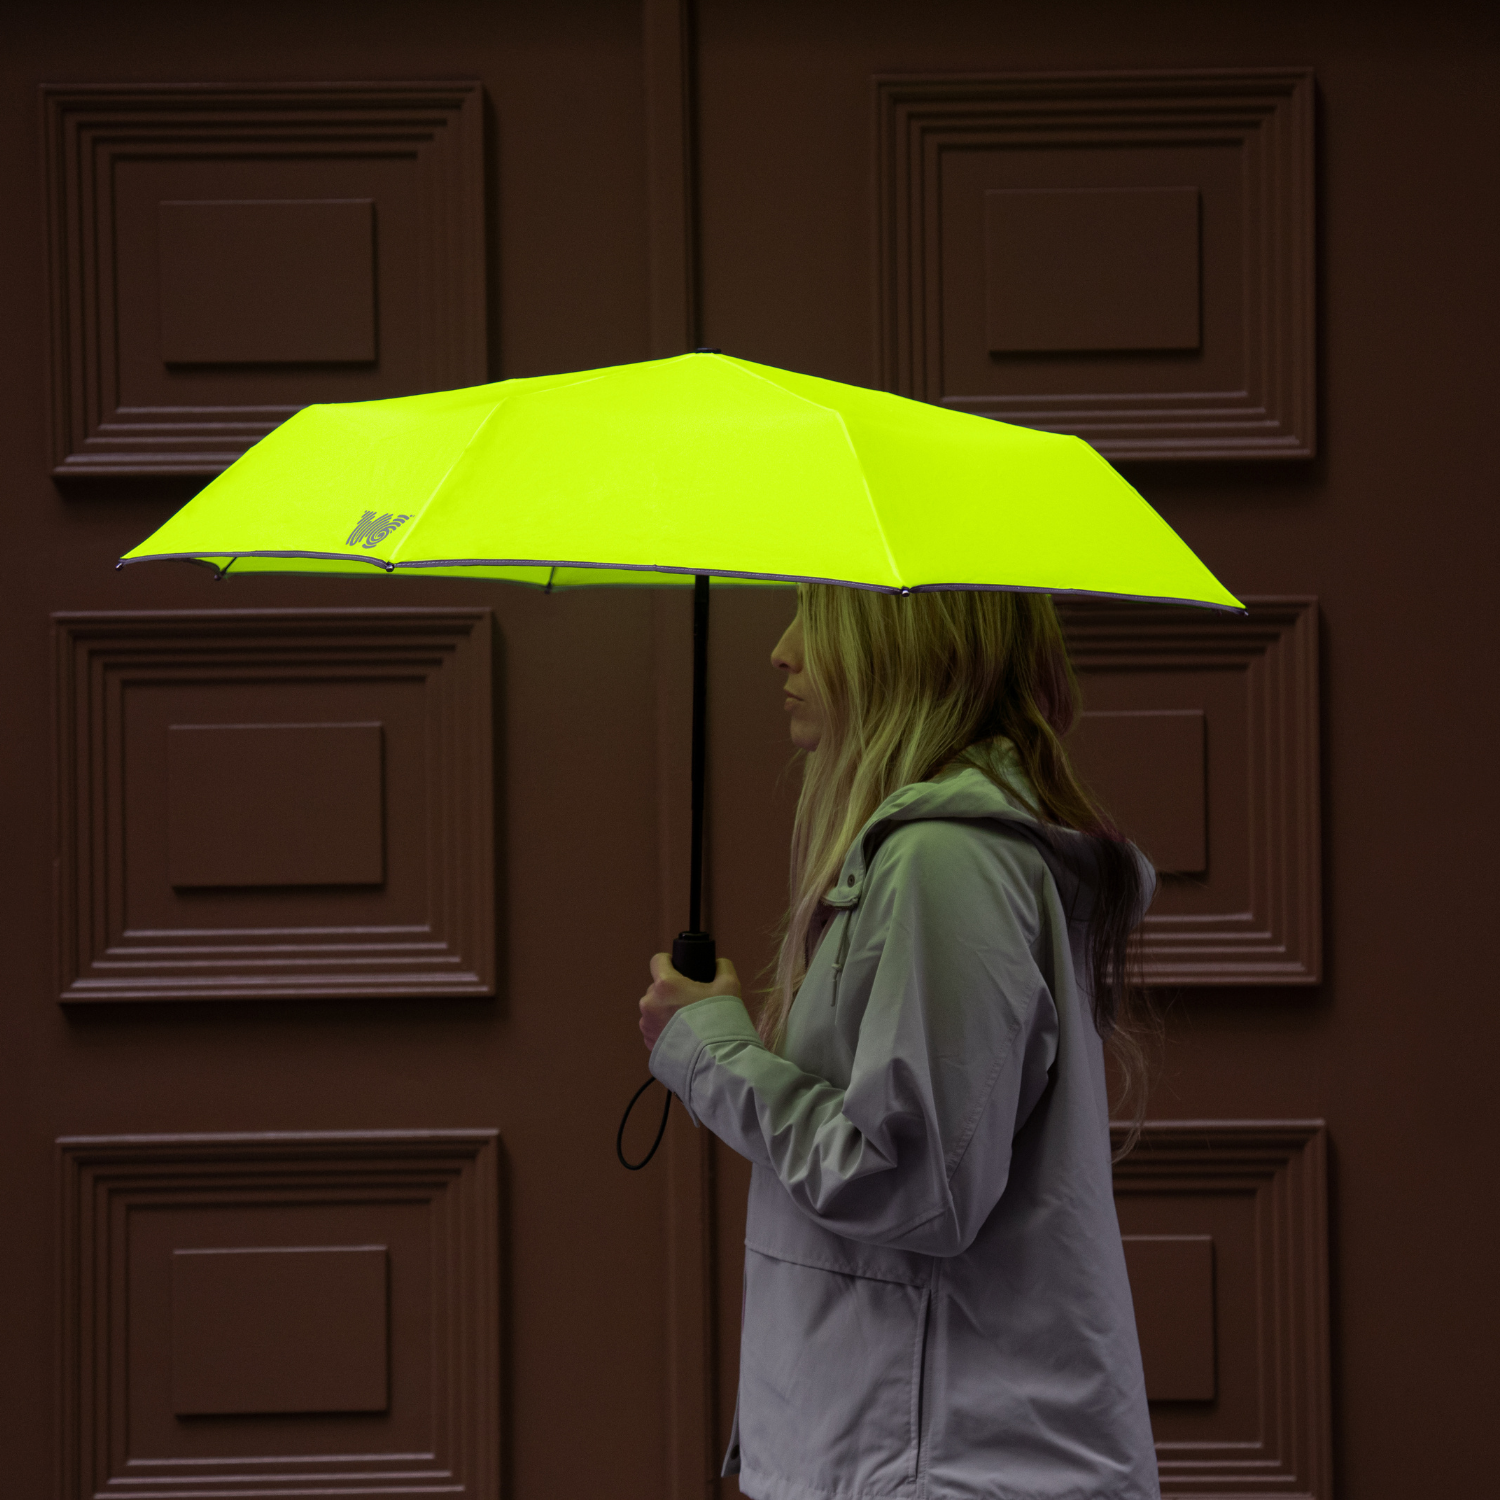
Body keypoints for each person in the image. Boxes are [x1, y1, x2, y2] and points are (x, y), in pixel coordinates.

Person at [638, 584, 1160, 1500]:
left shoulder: (945, 862)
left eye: (820, 619)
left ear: (903, 649)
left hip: (941, 1464)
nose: (783, 650)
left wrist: (709, 1051)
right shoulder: (936, 853)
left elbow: (920, 1187)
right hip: (917, 1453)